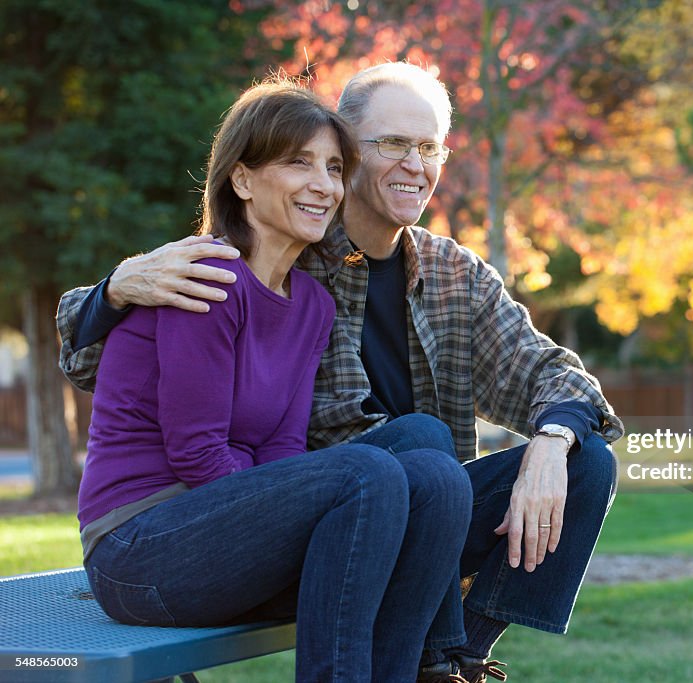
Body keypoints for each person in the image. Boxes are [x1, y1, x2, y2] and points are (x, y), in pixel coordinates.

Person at [58, 62, 623, 683]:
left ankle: (451, 659)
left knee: (560, 458)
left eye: (429, 147)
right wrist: (113, 290)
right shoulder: (222, 269)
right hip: (256, 512)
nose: (414, 163)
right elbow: (101, 363)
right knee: (411, 449)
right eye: (392, 144)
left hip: (373, 510)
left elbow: (555, 374)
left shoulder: (428, 280)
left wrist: (551, 439)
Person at [72, 76, 473, 683]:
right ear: (241, 179)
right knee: (365, 472)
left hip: (228, 534)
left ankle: (429, 668)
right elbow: (198, 454)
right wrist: (307, 511)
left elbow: (283, 449)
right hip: (142, 551)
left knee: (430, 457)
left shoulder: (311, 303)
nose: (324, 185)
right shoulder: (201, 279)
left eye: (335, 168)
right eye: (299, 163)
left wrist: (300, 513)